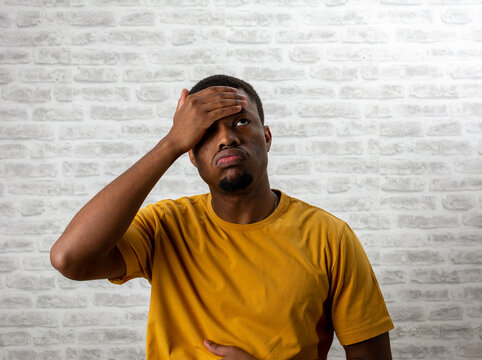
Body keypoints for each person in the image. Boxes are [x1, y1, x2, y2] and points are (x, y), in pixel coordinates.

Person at [50, 74, 394, 360]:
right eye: (206, 132)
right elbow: (69, 258)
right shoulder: (164, 226)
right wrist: (171, 142)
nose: (226, 137)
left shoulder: (329, 236)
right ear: (191, 155)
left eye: (241, 122)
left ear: (267, 137)